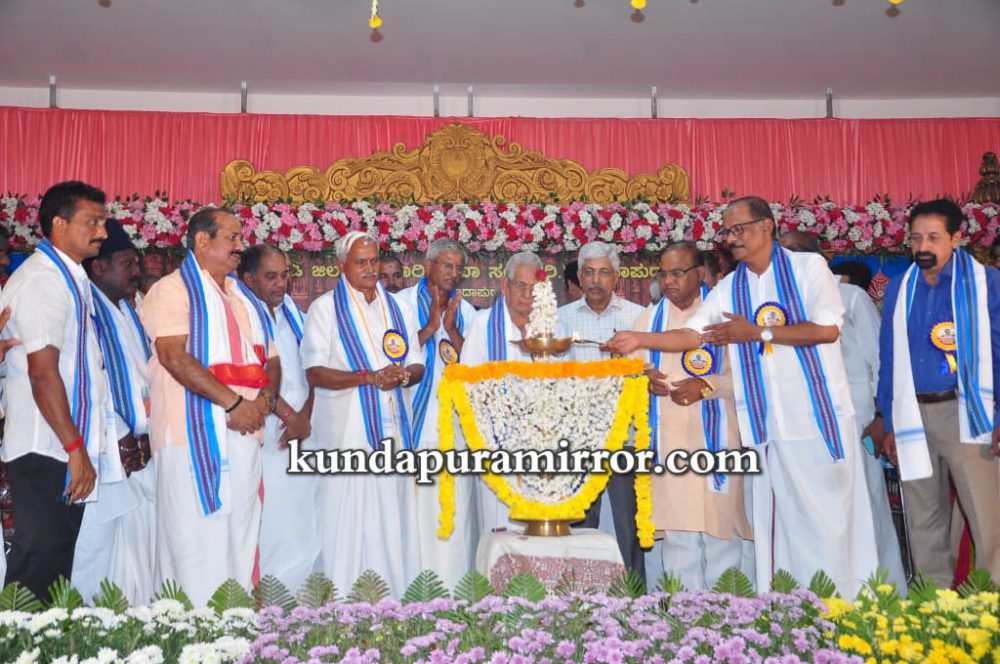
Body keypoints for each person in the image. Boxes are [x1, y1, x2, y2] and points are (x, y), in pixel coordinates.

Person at [605, 196, 878, 598]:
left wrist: (757, 333)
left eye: (739, 229)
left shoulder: (807, 267)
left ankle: (847, 606)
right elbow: (694, 334)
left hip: (817, 421)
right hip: (768, 429)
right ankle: (793, 610)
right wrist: (639, 339)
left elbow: (826, 330)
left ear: (767, 226)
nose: (732, 239)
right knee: (781, 529)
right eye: (728, 232)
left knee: (832, 522)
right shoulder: (732, 286)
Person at [140, 206, 278, 607]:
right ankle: (189, 633)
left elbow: (270, 360)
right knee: (193, 542)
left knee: (239, 535)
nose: (240, 246)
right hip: (190, 436)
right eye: (232, 237)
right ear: (202, 240)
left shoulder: (242, 297)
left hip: (245, 433)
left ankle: (234, 628)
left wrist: (265, 402)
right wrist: (234, 405)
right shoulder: (171, 290)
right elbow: (173, 356)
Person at [0, 181, 119, 600]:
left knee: (54, 566)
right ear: (59, 223)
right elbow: (42, 374)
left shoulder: (68, 277)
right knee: (39, 560)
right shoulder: (42, 280)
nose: (102, 232)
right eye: (92, 222)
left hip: (59, 443)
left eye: (103, 222)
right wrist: (75, 447)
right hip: (45, 445)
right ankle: (13, 636)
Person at [875, 198, 1000, 586]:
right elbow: (889, 357)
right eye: (916, 238)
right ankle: (934, 605)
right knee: (923, 519)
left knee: (987, 519)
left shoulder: (987, 283)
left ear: (956, 238)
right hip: (912, 415)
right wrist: (889, 420)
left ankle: (991, 607)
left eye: (933, 237)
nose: (923, 246)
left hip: (968, 411)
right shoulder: (901, 288)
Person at [301, 231, 424, 596]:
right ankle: (344, 599)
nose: (370, 269)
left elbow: (417, 363)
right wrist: (368, 378)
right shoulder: (325, 308)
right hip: (347, 434)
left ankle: (394, 596)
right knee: (348, 518)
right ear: (342, 266)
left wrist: (402, 376)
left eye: (374, 261)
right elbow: (314, 372)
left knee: (393, 511)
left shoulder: (398, 309)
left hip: (394, 431)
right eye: (361, 262)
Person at [784, 238, 907, 590]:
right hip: (804, 428)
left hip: (857, 424)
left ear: (818, 261)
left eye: (796, 253)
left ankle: (882, 593)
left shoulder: (851, 298)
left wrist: (882, 416)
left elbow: (881, 360)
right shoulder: (781, 309)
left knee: (867, 509)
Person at [635, 242, 752, 589]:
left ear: (699, 273)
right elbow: (627, 373)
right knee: (679, 541)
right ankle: (683, 618)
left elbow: (747, 379)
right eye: (663, 274)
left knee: (722, 537)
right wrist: (644, 381)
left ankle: (727, 617)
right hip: (670, 446)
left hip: (718, 442)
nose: (668, 282)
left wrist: (707, 385)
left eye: (677, 273)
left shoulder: (724, 318)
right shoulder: (649, 320)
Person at [73, 219, 157, 605]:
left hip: (140, 448)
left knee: (138, 543)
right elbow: (91, 379)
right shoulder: (85, 309)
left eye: (136, 262)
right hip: (105, 449)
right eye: (128, 263)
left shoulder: (127, 308)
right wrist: (121, 431)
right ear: (99, 267)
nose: (137, 271)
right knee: (97, 546)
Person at [557, 242, 646, 579]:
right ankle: (579, 597)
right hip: (579, 441)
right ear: (580, 276)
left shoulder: (638, 317)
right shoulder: (560, 320)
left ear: (616, 278)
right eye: (589, 272)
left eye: (604, 273)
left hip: (626, 437)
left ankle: (636, 598)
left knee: (631, 526)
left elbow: (648, 372)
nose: (596, 280)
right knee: (579, 526)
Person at [397, 238, 479, 589]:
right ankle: (415, 591)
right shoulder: (399, 305)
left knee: (455, 515)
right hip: (412, 427)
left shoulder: (467, 311)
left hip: (455, 430)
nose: (453, 273)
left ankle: (455, 591)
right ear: (427, 266)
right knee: (415, 518)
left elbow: (476, 368)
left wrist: (452, 329)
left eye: (459, 268)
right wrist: (431, 327)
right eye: (447, 265)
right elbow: (391, 359)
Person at [238, 244, 317, 593]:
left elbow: (312, 368)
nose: (281, 284)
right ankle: (270, 596)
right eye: (271, 276)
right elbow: (256, 375)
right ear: (249, 278)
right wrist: (289, 416)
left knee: (302, 515)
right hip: (267, 433)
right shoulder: (242, 314)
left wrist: (304, 417)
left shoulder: (292, 314)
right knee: (274, 518)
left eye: (285, 275)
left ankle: (301, 595)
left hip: (301, 430)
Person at [462, 252, 548, 533]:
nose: (527, 294)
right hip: (496, 443)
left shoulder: (552, 326)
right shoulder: (483, 324)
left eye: (534, 288)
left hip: (541, 445)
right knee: (499, 528)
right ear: (504, 285)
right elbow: (468, 384)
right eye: (521, 286)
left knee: (539, 527)